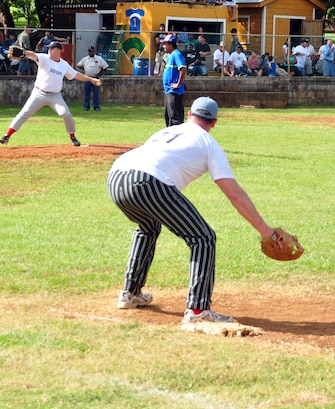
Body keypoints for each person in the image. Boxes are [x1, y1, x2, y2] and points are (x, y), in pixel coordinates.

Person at [108, 96, 280, 324]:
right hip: (148, 181)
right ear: (214, 123)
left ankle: (130, 293)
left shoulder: (166, 132)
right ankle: (198, 311)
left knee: (148, 227)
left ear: (190, 114)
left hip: (116, 177)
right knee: (203, 238)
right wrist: (265, 230)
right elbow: (235, 195)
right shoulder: (209, 144)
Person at [0, 41, 101, 146]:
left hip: (55, 96)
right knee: (24, 114)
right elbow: (32, 55)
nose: (49, 50)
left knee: (66, 114)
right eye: (49, 49)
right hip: (39, 93)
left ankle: (72, 137)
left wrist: (91, 79)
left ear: (58, 50)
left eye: (51, 48)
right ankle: (7, 135)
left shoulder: (64, 65)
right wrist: (24, 52)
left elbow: (76, 75)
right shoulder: (44, 58)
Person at [161, 33, 186, 126]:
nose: (163, 46)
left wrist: (178, 84)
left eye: (165, 44)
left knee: (175, 117)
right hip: (168, 90)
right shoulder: (170, 56)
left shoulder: (176, 54)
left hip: (174, 91)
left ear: (171, 44)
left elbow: (183, 69)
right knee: (168, 116)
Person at [76, 46, 108, 111]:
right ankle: (86, 106)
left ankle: (96, 107)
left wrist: (99, 74)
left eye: (91, 51)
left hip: (95, 78)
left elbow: (105, 67)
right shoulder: (85, 59)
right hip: (87, 78)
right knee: (87, 93)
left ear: (94, 51)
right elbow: (79, 65)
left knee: (96, 93)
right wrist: (84, 70)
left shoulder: (99, 59)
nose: (90, 52)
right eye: (89, 51)